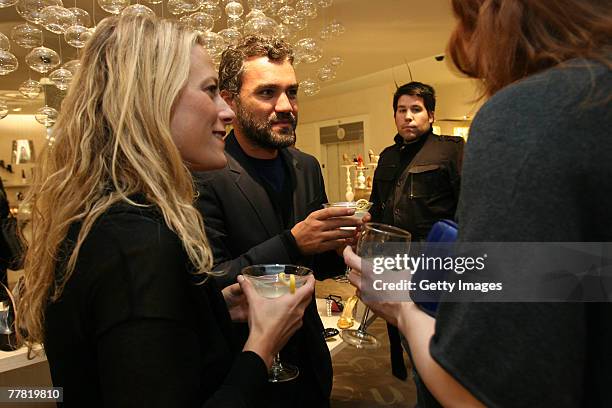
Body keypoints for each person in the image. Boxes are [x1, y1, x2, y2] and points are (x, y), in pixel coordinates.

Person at [16, 15, 315, 407]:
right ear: (151, 99)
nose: (225, 112)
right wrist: (262, 346)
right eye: (209, 91)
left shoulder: (107, 218)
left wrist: (214, 311)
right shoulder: (138, 244)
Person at [345, 0, 612, 406]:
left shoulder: (527, 116)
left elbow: (483, 390)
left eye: (469, 17)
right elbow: (577, 272)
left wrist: (400, 302)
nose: (461, 42)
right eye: (400, 110)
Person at [194, 36, 360, 408]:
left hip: (312, 360)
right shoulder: (206, 174)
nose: (286, 106)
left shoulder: (306, 167)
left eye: (292, 92)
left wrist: (342, 246)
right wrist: (295, 241)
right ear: (230, 101)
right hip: (245, 369)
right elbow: (211, 284)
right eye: (267, 92)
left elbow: (316, 263)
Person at [369, 81, 463, 384]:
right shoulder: (387, 156)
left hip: (435, 262)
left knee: (437, 337)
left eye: (416, 109)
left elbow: (467, 206)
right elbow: (377, 206)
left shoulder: (451, 150)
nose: (408, 116)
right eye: (401, 110)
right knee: (402, 329)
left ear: (431, 115)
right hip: (393, 261)